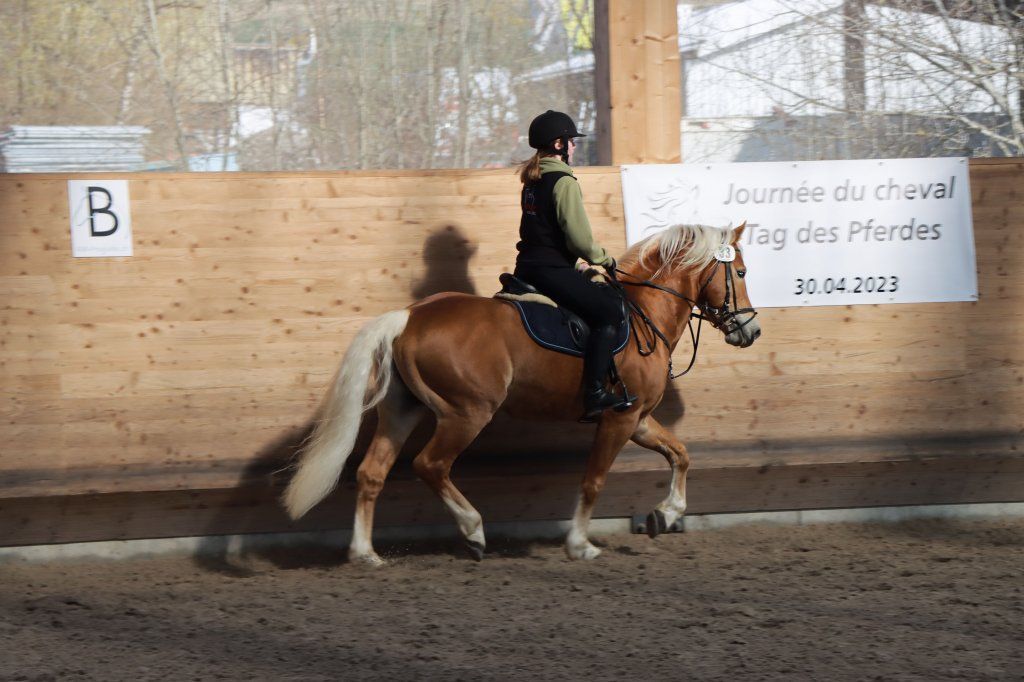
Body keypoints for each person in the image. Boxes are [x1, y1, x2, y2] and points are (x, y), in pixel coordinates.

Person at [513, 110, 630, 422]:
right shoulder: (563, 181)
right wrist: (605, 259)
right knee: (609, 312)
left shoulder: (533, 180)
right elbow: (579, 240)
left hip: (527, 267)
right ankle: (595, 392)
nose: (574, 147)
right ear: (559, 144)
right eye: (571, 141)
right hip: (550, 270)